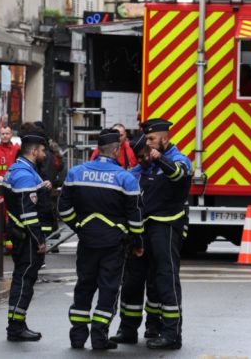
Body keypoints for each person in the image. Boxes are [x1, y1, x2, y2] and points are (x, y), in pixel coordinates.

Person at [57, 129, 143, 350]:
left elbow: (63, 209)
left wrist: (79, 226)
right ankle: (99, 337)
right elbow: (135, 217)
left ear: (98, 149)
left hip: (87, 241)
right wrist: (138, 243)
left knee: (84, 286)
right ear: (115, 150)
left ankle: (77, 337)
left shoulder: (75, 173)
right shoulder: (126, 178)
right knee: (108, 289)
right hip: (114, 244)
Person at [136, 118, 192, 350]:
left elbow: (179, 174)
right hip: (149, 226)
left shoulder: (179, 159)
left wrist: (162, 160)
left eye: (151, 139)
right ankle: (154, 326)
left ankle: (172, 334)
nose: (147, 144)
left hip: (167, 227)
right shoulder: (149, 163)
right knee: (153, 279)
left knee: (167, 278)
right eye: (146, 139)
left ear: (164, 138)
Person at [110, 132, 162, 345]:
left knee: (156, 284)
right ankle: (128, 328)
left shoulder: (164, 171)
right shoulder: (132, 175)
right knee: (131, 284)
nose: (142, 160)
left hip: (157, 235)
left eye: (144, 155)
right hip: (135, 237)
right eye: (138, 157)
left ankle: (154, 325)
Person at [2, 126, 48, 342]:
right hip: (27, 238)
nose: (45, 155)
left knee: (22, 280)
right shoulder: (24, 175)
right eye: (43, 151)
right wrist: (39, 240)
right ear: (34, 151)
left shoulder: (18, 170)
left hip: (19, 234)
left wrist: (42, 188)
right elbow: (28, 213)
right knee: (24, 282)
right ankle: (16, 327)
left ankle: (17, 322)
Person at [33, 121, 65, 247]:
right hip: (51, 184)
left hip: (46, 185)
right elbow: (61, 163)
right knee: (51, 214)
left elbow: (57, 164)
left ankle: (49, 241)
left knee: (46, 215)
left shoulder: (44, 148)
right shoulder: (51, 146)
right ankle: (53, 241)